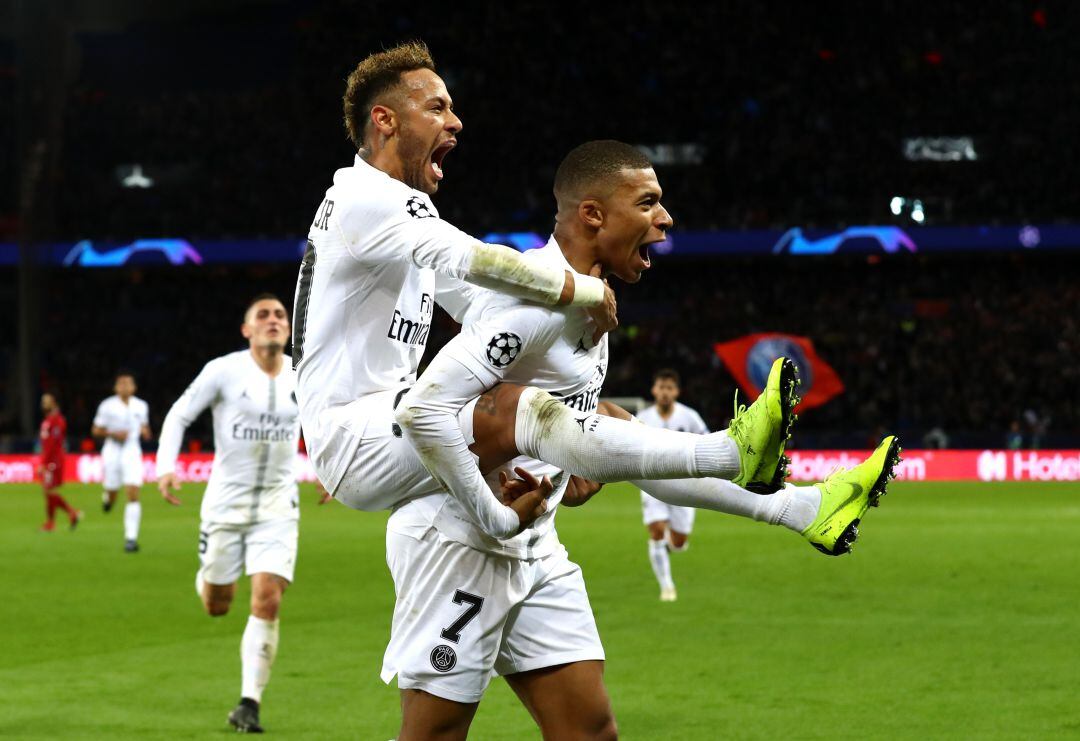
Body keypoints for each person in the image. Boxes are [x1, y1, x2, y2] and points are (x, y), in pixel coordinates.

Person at [391, 140, 901, 739]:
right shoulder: (528, 304)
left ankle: (802, 507)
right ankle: (748, 459)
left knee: (591, 732)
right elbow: (430, 413)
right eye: (649, 203)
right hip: (458, 545)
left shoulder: (589, 306)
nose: (666, 219)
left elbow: (589, 441)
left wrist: (561, 467)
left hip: (535, 546)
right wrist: (488, 497)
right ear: (593, 214)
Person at [292, 40, 618, 542]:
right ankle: (724, 460)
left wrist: (567, 367)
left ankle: (757, 486)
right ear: (385, 120)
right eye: (437, 107)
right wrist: (582, 290)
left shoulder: (395, 212)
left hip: (388, 420)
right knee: (523, 409)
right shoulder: (366, 199)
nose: (456, 121)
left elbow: (480, 301)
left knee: (596, 415)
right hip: (357, 434)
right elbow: (476, 260)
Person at [156, 294, 327, 734]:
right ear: (246, 330)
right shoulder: (223, 371)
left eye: (279, 316)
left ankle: (249, 702)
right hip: (224, 506)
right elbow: (178, 415)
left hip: (278, 506)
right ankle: (208, 575)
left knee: (267, 597)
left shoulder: (304, 373)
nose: (273, 321)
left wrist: (330, 469)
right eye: (263, 316)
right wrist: (166, 467)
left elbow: (324, 424)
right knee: (217, 604)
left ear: (288, 329)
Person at [636, 369, 709, 602]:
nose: (665, 392)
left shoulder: (690, 417)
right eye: (661, 387)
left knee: (678, 543)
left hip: (686, 486)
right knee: (656, 530)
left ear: (676, 391)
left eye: (670, 388)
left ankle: (666, 547)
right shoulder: (643, 418)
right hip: (653, 484)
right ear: (654, 390)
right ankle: (667, 587)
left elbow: (706, 441)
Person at [92, 370, 151, 552]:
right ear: (115, 387)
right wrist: (112, 433)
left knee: (133, 492)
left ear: (134, 387)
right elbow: (96, 430)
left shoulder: (141, 406)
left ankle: (131, 539)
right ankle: (107, 498)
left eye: (128, 383)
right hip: (112, 451)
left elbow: (144, 427)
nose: (125, 386)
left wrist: (145, 432)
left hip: (132, 450)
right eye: (121, 383)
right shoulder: (107, 406)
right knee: (112, 492)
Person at [38, 392, 82, 532]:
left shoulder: (56, 421)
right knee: (48, 491)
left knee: (49, 491)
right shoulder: (48, 420)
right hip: (50, 459)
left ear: (54, 403)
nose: (44, 404)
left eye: (47, 401)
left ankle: (60, 518)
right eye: (43, 401)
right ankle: (66, 516)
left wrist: (44, 463)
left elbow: (52, 444)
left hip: (54, 460)